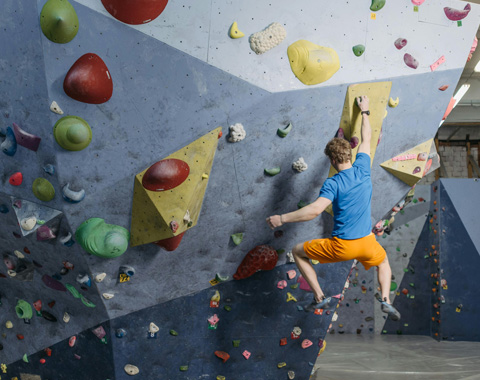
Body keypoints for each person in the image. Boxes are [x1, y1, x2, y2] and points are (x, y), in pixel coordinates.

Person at [266, 95, 400, 321]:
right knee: (383, 261)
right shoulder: (363, 168)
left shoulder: (333, 183)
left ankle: (319, 297)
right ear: (349, 154)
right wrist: (364, 111)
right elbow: (366, 138)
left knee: (298, 252)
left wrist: (282, 218)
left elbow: (314, 211)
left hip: (342, 247)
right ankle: (385, 299)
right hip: (367, 243)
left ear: (331, 161)